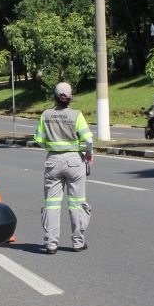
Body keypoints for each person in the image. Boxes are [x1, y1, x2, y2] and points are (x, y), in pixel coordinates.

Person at [34, 82, 93, 254]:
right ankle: (77, 242)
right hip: (74, 161)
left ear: (55, 96)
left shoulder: (46, 115)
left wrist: (52, 148)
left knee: (52, 204)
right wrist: (88, 154)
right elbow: (89, 140)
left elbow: (39, 139)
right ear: (70, 97)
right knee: (76, 203)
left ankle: (51, 244)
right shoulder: (76, 115)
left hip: (52, 161)